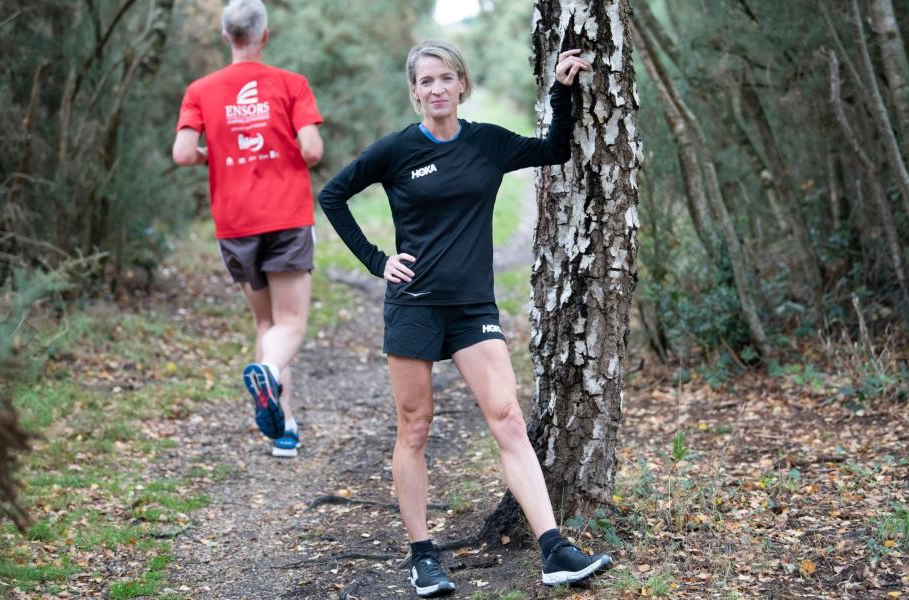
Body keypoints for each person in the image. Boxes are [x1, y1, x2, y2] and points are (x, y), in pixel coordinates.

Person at [319, 40, 612, 597]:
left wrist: (562, 89)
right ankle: (423, 555)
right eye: (425, 81)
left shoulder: (486, 143)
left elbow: (553, 149)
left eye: (445, 78)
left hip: (472, 306)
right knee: (416, 426)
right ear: (415, 91)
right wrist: (379, 262)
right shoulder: (397, 149)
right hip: (414, 305)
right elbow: (333, 195)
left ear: (461, 84)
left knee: (506, 416)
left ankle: (553, 548)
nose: (435, 89)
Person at [172, 0, 322, 458]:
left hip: (234, 222)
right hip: (286, 215)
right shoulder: (291, 84)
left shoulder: (200, 89)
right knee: (290, 323)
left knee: (266, 322)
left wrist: (212, 155)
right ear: (265, 35)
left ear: (226, 36)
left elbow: (182, 153)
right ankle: (270, 378)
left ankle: (284, 428)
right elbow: (313, 151)